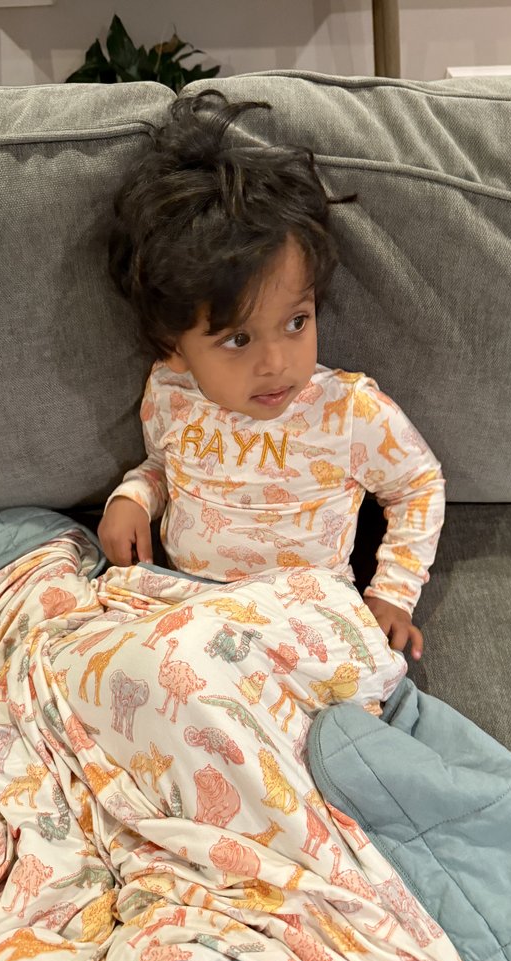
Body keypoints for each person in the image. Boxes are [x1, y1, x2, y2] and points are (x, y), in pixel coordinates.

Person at [99, 90, 445, 661]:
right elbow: (165, 464)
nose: (277, 363)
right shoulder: (171, 393)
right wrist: (134, 498)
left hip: (305, 624)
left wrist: (394, 593)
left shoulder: (351, 413)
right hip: (191, 613)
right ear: (174, 346)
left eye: (296, 322)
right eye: (238, 339)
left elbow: (419, 485)